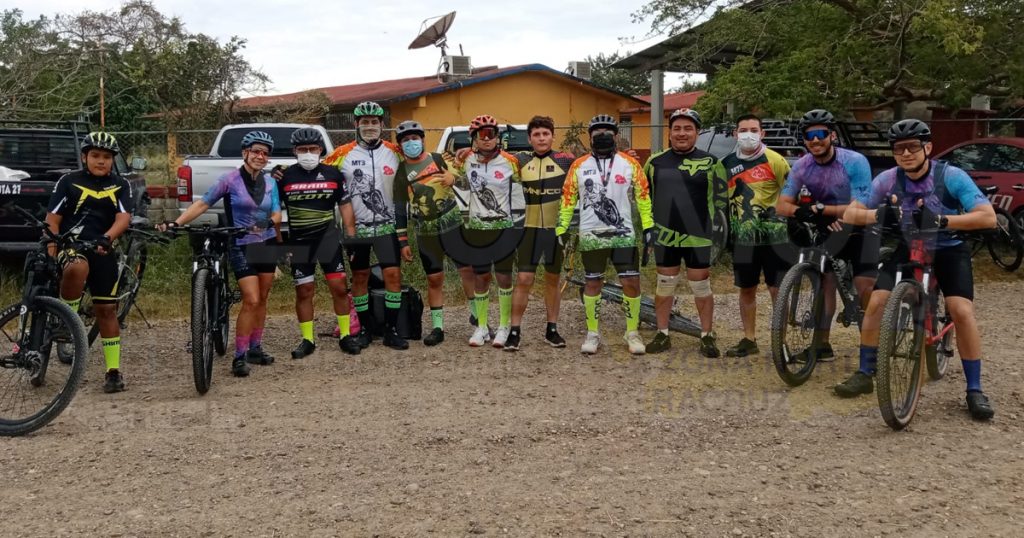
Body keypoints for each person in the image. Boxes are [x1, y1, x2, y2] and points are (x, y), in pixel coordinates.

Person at [839, 119, 995, 420]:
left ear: (928, 148)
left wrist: (944, 221)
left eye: (912, 147)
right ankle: (864, 372)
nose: (906, 154)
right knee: (876, 302)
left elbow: (987, 217)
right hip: (910, 247)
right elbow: (851, 213)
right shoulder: (887, 179)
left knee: (960, 310)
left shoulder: (950, 176)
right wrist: (878, 213)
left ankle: (975, 389)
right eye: (899, 149)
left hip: (949, 247)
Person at [162, 130, 282, 377]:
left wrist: (270, 224)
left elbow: (277, 212)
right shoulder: (229, 180)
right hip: (240, 243)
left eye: (265, 153)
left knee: (263, 297)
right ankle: (239, 356)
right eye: (256, 151)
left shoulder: (271, 182)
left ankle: (255, 347)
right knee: (251, 299)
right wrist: (178, 222)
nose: (261, 156)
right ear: (245, 153)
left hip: (267, 243)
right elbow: (203, 203)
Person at [776, 109, 877, 361]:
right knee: (824, 286)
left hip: (861, 229)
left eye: (821, 133)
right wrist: (802, 212)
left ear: (832, 135)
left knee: (864, 287)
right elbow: (782, 205)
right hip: (826, 230)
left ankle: (872, 350)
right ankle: (822, 345)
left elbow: (860, 205)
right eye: (809, 135)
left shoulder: (854, 161)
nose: (815, 139)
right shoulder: (802, 165)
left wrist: (823, 210)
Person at [556, 114, 654, 355]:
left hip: (624, 236)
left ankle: (631, 331)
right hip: (591, 235)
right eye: (597, 133)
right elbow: (568, 198)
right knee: (593, 282)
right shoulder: (578, 165)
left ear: (616, 136)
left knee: (631, 282)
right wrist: (562, 227)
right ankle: (592, 333)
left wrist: (649, 226)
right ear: (589, 137)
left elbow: (643, 197)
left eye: (607, 133)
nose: (602, 137)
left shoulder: (630, 164)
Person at [46, 132, 134, 393]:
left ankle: (113, 371)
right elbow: (52, 219)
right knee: (77, 266)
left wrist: (108, 238)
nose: (101, 161)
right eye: (95, 155)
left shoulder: (120, 184)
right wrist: (52, 249)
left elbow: (123, 218)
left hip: (103, 249)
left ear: (113, 160)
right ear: (85, 157)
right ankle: (67, 319)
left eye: (106, 157)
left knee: (107, 310)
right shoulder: (69, 181)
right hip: (71, 246)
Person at [323, 101, 408, 350]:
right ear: (356, 125)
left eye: (374, 122)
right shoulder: (342, 153)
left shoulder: (395, 151)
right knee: (360, 276)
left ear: (382, 125)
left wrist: (460, 155)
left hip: (387, 226)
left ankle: (391, 330)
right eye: (364, 122)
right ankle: (366, 330)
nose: (370, 126)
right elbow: (318, 173)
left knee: (393, 275)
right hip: (354, 228)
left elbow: (421, 159)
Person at [643, 108, 725, 357]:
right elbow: (646, 199)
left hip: (699, 234)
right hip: (665, 234)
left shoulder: (713, 163)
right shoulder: (654, 162)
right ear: (669, 132)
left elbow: (721, 203)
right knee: (665, 285)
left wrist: (721, 236)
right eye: (677, 128)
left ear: (697, 133)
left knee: (701, 286)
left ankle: (706, 335)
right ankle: (662, 333)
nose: (682, 133)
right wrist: (647, 230)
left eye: (688, 128)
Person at [276, 127, 362, 359]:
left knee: (339, 288)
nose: (308, 153)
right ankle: (307, 339)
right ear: (295, 151)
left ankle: (346, 335)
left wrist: (351, 235)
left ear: (321, 150)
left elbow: (344, 205)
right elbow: (273, 209)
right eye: (302, 149)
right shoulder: (284, 176)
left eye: (312, 149)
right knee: (304, 291)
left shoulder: (333, 174)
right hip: (300, 244)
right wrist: (278, 243)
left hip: (329, 242)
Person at [392, 120, 477, 345]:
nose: (411, 143)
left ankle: (478, 316)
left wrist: (454, 179)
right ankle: (438, 327)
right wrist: (403, 242)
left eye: (415, 138)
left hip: (452, 225)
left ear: (422, 139)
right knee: (434, 279)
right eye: (406, 140)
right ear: (400, 146)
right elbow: (400, 209)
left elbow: (469, 184)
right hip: (425, 232)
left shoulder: (439, 159)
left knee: (467, 271)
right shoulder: (401, 172)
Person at [716, 113, 792, 357]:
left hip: (776, 239)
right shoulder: (725, 164)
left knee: (776, 290)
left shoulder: (776, 160)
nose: (748, 134)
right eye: (743, 130)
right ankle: (749, 339)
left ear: (762, 133)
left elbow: (792, 194)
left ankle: (782, 341)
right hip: (743, 239)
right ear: (735, 134)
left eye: (753, 129)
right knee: (746, 289)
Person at [504, 115, 576, 351]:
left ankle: (552, 329)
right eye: (536, 134)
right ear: (530, 138)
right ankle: (515, 331)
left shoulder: (566, 160)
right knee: (524, 279)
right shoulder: (521, 160)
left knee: (553, 280)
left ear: (553, 136)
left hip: (556, 231)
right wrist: (467, 153)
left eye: (546, 133)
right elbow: (495, 157)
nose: (542, 138)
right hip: (530, 230)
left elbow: (592, 165)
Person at [450, 114, 522, 347]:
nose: (487, 139)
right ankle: (482, 327)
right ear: (474, 139)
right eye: (482, 135)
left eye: (492, 134)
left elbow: (530, 176)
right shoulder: (466, 159)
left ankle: (503, 326)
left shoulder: (511, 161)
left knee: (503, 277)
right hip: (477, 228)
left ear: (498, 137)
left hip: (504, 228)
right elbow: (449, 170)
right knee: (481, 277)